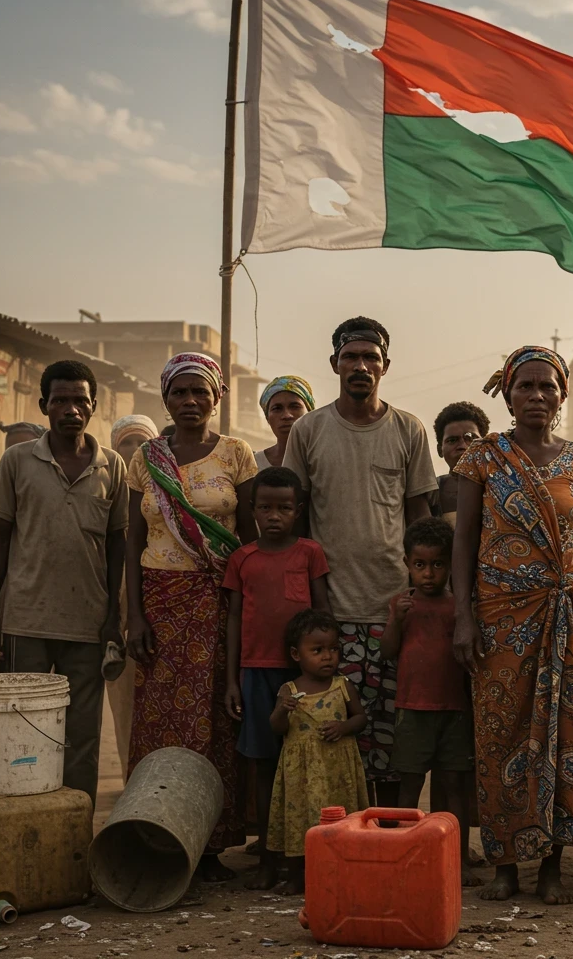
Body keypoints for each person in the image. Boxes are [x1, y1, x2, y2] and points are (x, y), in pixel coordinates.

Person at [452, 346, 573, 905]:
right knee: (500, 734)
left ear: (563, 393)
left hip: (569, 615)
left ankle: (552, 865)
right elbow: (463, 541)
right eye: (526, 386)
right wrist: (463, 618)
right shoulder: (482, 458)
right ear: (507, 392)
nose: (537, 396)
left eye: (548, 387)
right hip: (501, 618)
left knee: (567, 733)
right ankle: (504, 861)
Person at [284, 318, 437, 803]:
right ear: (334, 364)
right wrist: (311, 604)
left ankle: (390, 836)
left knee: (393, 736)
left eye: (371, 358)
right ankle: (343, 839)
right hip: (332, 615)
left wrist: (423, 592)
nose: (361, 366)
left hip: (396, 612)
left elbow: (419, 516)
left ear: (385, 366)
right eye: (351, 357)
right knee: (336, 736)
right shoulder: (309, 430)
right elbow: (296, 518)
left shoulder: (408, 429)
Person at [125, 352, 258, 881]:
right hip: (160, 600)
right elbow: (134, 542)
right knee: (159, 719)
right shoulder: (147, 459)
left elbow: (247, 541)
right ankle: (154, 831)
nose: (190, 402)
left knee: (215, 719)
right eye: (180, 393)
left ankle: (210, 843)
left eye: (200, 392)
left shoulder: (236, 454)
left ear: (217, 398)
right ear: (165, 399)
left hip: (218, 599)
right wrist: (134, 616)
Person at [0, 361, 128, 806]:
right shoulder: (18, 461)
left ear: (93, 406)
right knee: (23, 737)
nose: (71, 409)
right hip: (26, 621)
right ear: (44, 406)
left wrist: (114, 619)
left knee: (82, 738)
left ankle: (76, 839)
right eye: (60, 399)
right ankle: (26, 826)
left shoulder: (112, 466)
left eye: (80, 400)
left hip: (88, 626)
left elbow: (117, 548)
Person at [222, 465, 331, 889]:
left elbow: (322, 614)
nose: (274, 516)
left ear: (298, 510)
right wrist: (233, 680)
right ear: (251, 511)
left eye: (284, 508)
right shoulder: (242, 559)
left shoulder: (310, 554)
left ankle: (304, 858)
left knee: (305, 768)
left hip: (301, 678)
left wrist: (323, 670)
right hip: (256, 674)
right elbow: (233, 620)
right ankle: (268, 858)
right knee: (265, 768)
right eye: (265, 508)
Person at [380, 517, 480, 886]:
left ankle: (457, 858)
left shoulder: (459, 607)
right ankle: (407, 852)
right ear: (407, 563)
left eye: (438, 564)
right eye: (420, 564)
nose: (428, 573)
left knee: (454, 786)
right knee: (409, 785)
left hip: (453, 710)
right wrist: (396, 619)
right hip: (413, 709)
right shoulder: (401, 604)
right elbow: (387, 652)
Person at [266, 609, 369, 895]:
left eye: (333, 649)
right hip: (302, 775)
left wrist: (343, 727)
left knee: (341, 821)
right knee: (300, 822)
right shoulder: (288, 690)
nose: (327, 656)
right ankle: (298, 875)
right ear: (296, 655)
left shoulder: (342, 685)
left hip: (336, 771)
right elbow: (276, 728)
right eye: (318, 650)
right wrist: (280, 711)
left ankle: (343, 868)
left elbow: (361, 718)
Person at [106, 415, 160, 783]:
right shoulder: (105, 489)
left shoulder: (165, 491)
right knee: (124, 695)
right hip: (116, 600)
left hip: (157, 598)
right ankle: (131, 778)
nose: (134, 450)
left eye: (141, 442)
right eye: (126, 443)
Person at [433, 402, 490, 526]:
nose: (463, 446)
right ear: (439, 450)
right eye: (452, 440)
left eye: (470, 438)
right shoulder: (434, 492)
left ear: (486, 444)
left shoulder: (502, 486)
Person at [256, 376, 315, 470]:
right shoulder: (253, 464)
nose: (287, 415)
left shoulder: (324, 458)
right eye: (277, 408)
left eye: (295, 407)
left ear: (310, 413)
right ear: (267, 418)